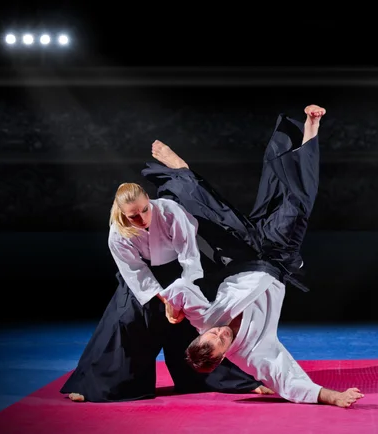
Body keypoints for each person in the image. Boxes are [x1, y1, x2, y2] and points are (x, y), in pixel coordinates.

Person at [142, 104, 365, 408]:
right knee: (297, 204)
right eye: (220, 341)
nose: (219, 332)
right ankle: (311, 129)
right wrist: (332, 397)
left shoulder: (203, 320)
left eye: (211, 335)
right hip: (276, 257)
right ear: (223, 358)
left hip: (242, 255)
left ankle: (182, 172)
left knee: (218, 214)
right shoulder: (252, 354)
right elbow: (287, 379)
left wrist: (171, 304)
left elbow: (182, 289)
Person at [59, 182, 269, 403]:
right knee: (125, 321)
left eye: (145, 209)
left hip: (181, 271)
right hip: (144, 280)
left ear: (148, 199)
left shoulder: (170, 211)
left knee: (197, 323)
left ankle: (233, 381)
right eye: (133, 216)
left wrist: (182, 296)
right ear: (122, 213)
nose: (142, 218)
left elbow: (189, 257)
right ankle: (97, 385)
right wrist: (165, 300)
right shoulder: (117, 234)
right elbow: (136, 273)